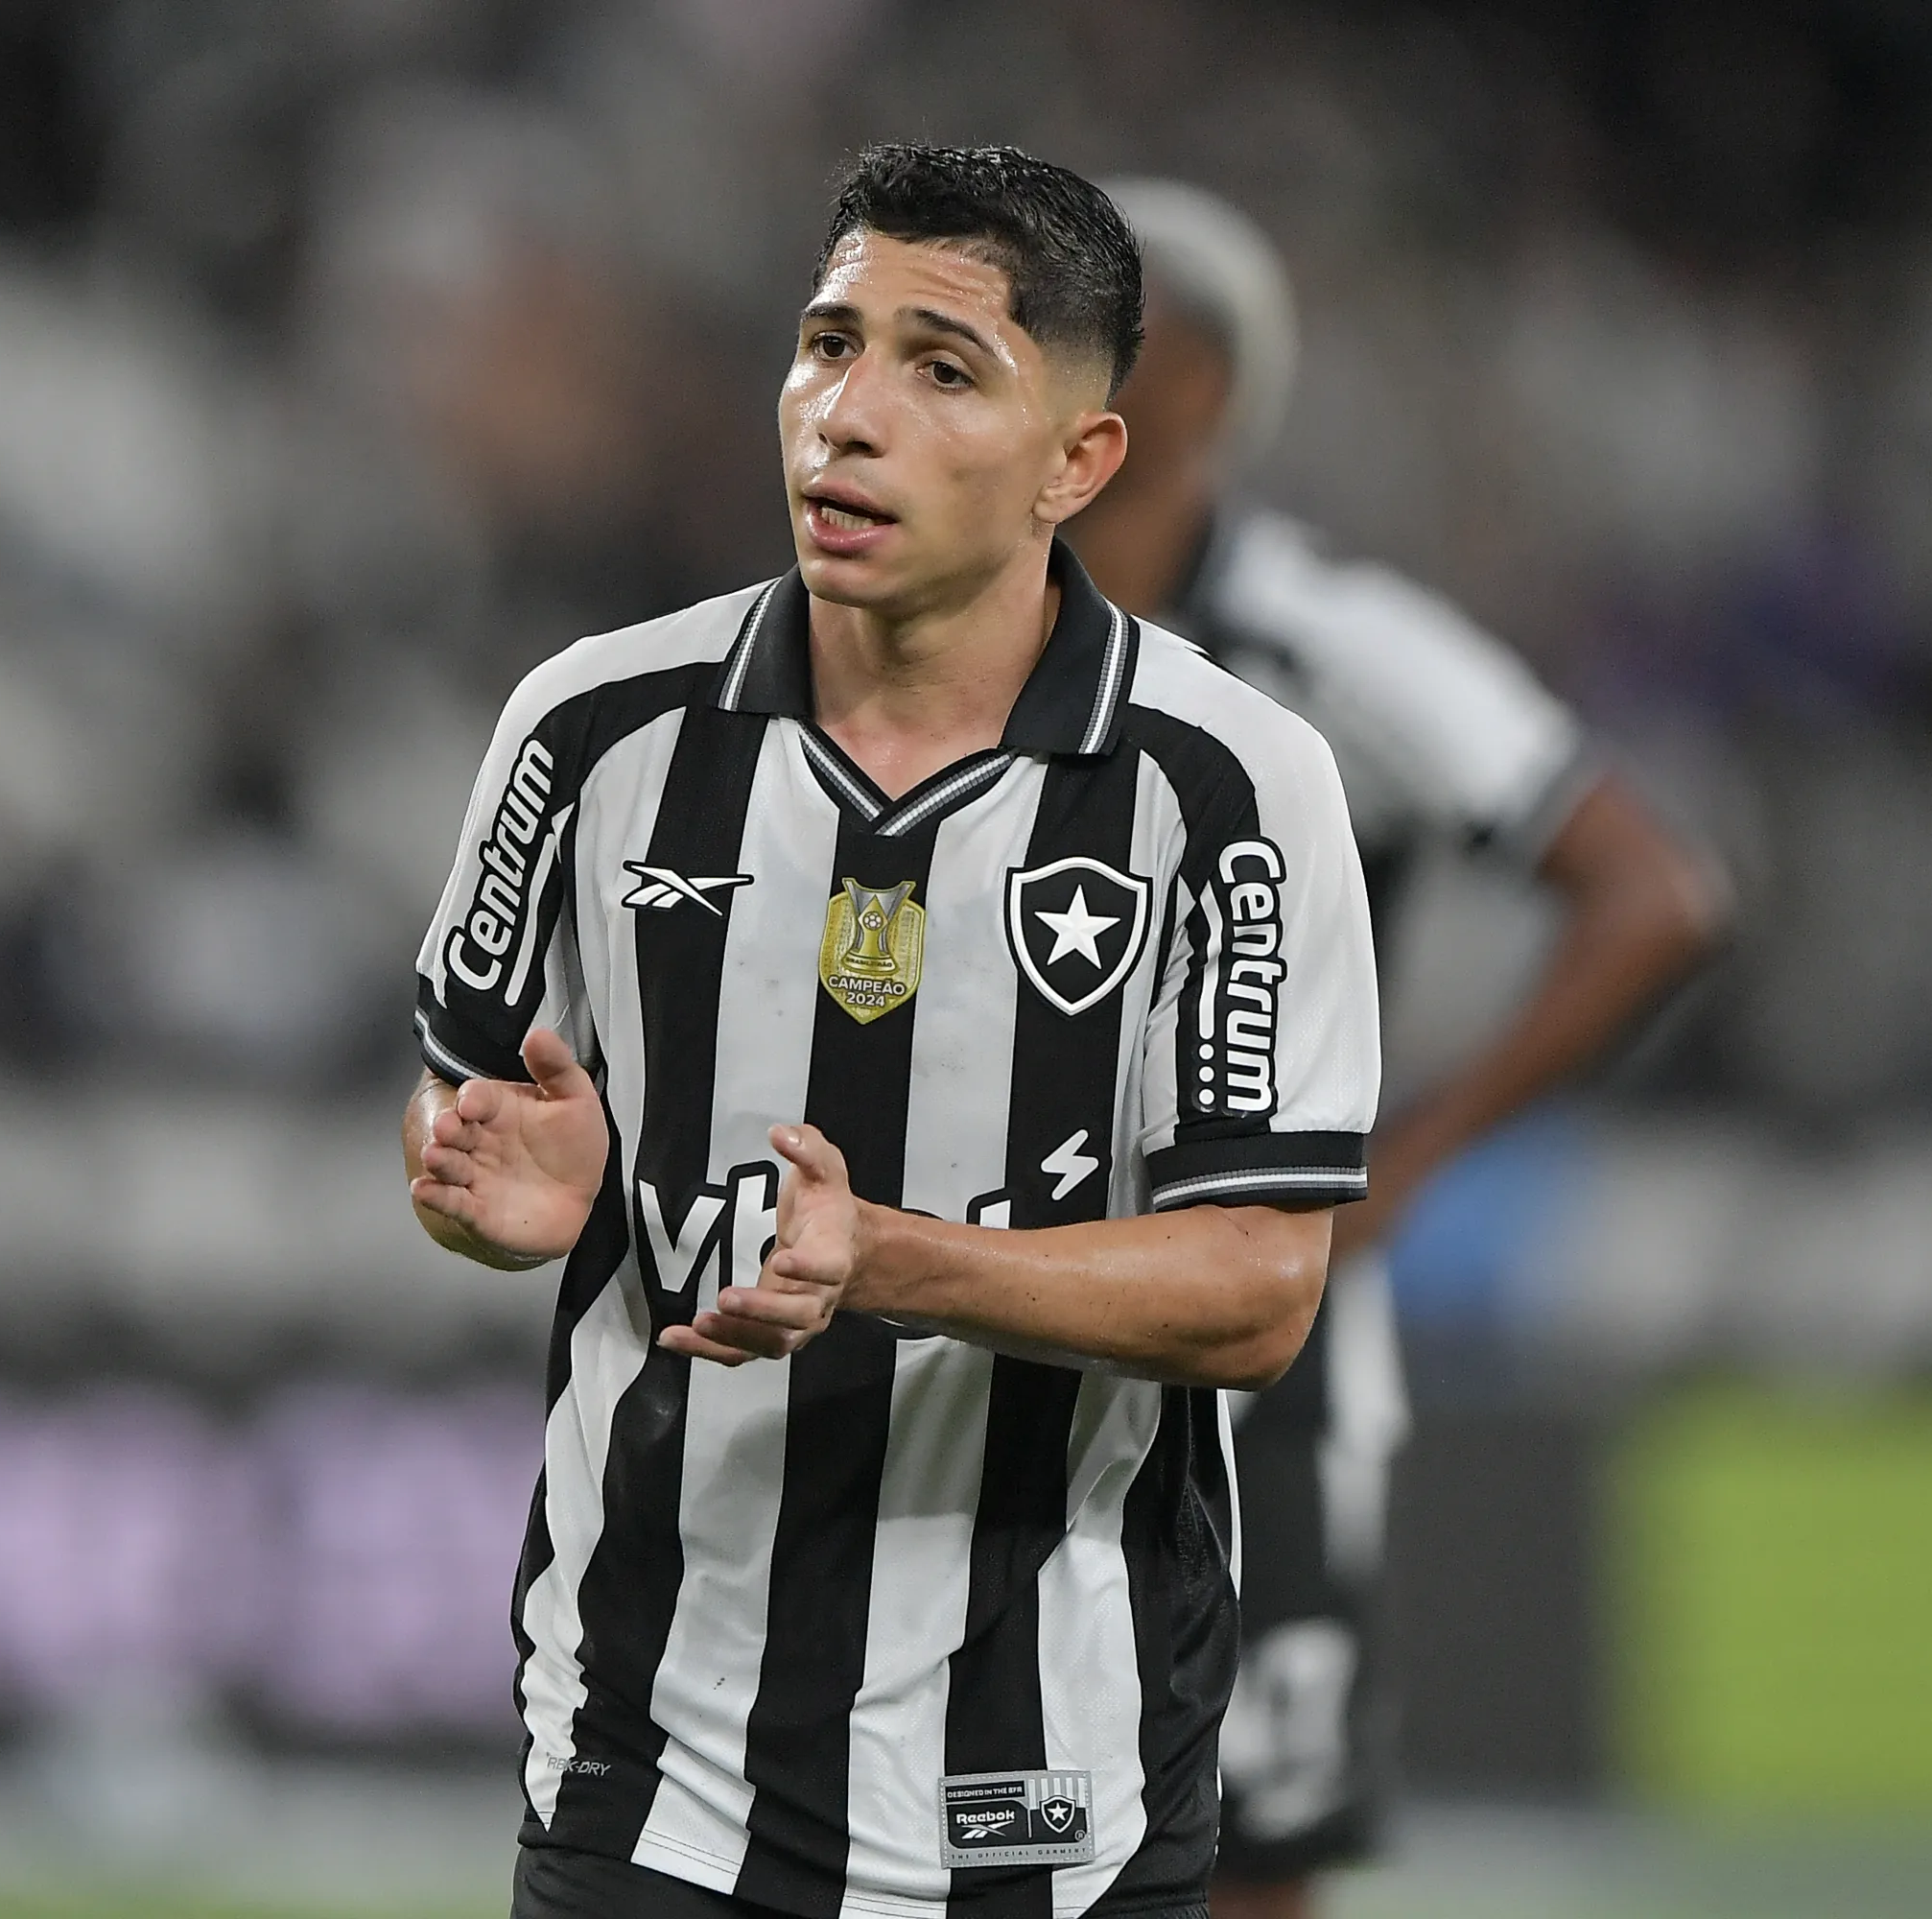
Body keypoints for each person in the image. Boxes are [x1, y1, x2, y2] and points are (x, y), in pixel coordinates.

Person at [401, 146, 1383, 1919]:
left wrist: (893, 1263)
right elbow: (467, 1116)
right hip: (651, 1756)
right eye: (827, 341)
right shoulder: (592, 731)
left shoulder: (1232, 787)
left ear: (1081, 462)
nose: (846, 415)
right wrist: (482, 1191)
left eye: (942, 369)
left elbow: (1259, 1286)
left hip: (1055, 1779)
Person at [1066, 181, 1726, 1919]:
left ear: (1189, 389)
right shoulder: (949, 632)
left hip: (1254, 1352)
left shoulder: (1331, 646)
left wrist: (1416, 1155)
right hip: (997, 1308)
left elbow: (1653, 893)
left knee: (1253, 1860)